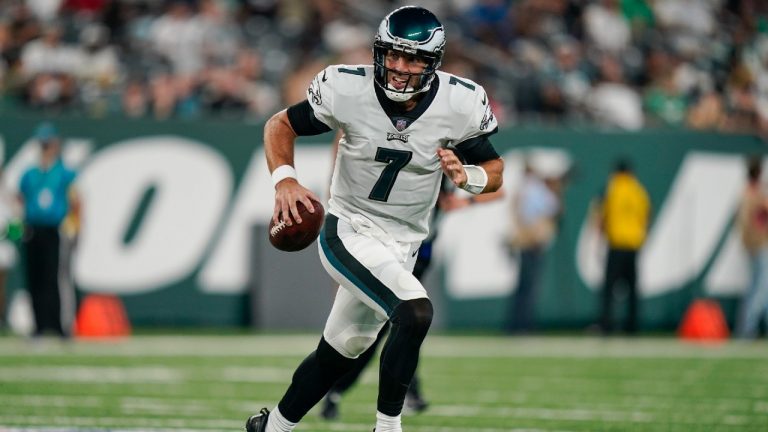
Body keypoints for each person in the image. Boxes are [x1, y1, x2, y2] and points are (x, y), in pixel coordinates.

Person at [245, 6, 503, 432]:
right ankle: (387, 427)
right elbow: (280, 125)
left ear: (433, 62)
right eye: (392, 54)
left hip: (405, 243)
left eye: (412, 58)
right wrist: (285, 181)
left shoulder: (460, 103)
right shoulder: (346, 88)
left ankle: (270, 427)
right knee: (415, 311)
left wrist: (468, 176)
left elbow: (495, 171)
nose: (400, 67)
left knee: (342, 349)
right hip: (350, 228)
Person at [18, 122, 80, 338]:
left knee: (56, 278)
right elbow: (20, 201)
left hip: (56, 228)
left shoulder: (64, 173)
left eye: (48, 144)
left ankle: (60, 326)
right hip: (32, 228)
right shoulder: (29, 174)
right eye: (43, 145)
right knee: (34, 278)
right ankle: (39, 326)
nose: (45, 149)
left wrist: (76, 229)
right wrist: (19, 228)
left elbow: (76, 201)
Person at [596, 158, 650, 336]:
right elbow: (646, 214)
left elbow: (603, 214)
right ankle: (632, 326)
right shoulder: (638, 190)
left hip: (616, 243)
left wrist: (601, 235)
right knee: (633, 289)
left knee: (609, 288)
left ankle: (607, 324)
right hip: (633, 244)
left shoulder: (613, 188)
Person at [505, 162, 560, 334]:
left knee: (523, 286)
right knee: (529, 287)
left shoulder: (523, 191)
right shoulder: (535, 190)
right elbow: (553, 208)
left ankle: (516, 323)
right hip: (533, 243)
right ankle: (524, 324)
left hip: (525, 242)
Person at [735, 156, 768, 339]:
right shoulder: (755, 194)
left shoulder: (746, 193)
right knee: (761, 289)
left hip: (753, 245)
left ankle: (747, 327)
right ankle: (748, 328)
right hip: (759, 245)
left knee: (756, 287)